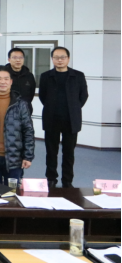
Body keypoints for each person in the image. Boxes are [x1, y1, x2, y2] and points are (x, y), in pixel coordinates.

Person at [39, 47, 88, 188]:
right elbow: (43, 96)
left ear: (68, 58)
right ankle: (51, 179)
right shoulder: (45, 76)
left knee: (69, 153)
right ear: (52, 59)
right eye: (56, 57)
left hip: (71, 120)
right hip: (51, 119)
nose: (59, 60)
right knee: (51, 152)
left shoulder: (78, 75)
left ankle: (67, 181)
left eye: (62, 57)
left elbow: (83, 96)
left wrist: (73, 108)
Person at [0, 66, 35, 186]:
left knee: (12, 193)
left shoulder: (21, 104)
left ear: (11, 81)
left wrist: (28, 156)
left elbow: (28, 130)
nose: (3, 82)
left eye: (6, 79)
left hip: (14, 158)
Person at [5, 48, 37, 114]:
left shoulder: (29, 75)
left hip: (25, 111)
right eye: (14, 57)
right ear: (9, 59)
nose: (18, 60)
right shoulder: (4, 74)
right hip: (7, 111)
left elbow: (31, 94)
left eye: (20, 57)